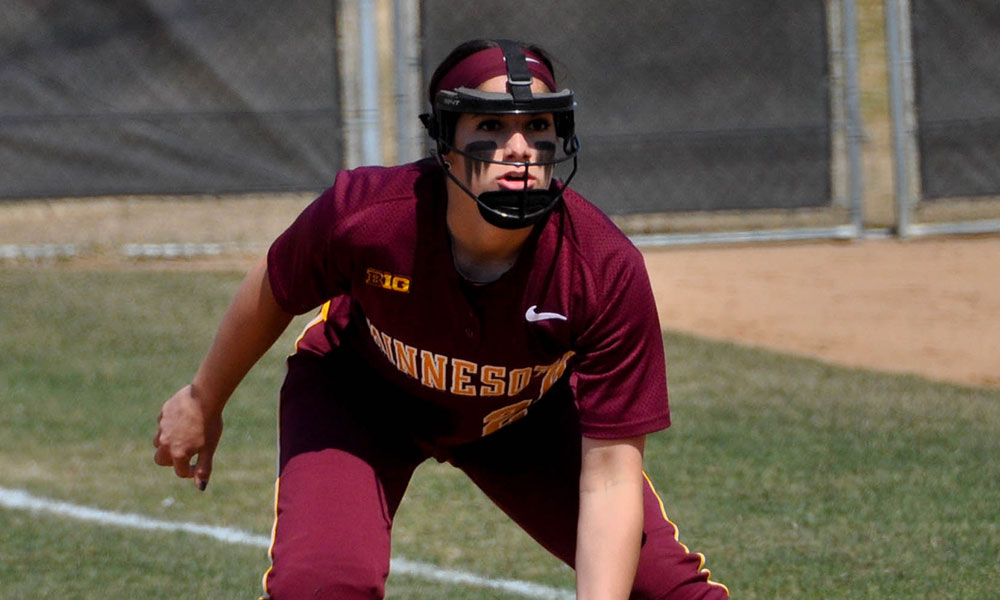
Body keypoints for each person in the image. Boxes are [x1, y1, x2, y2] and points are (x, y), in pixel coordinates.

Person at [153, 38, 729, 600]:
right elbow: (277, 285)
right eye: (490, 127)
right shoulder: (369, 213)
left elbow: (610, 478)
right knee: (324, 586)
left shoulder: (602, 266)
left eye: (539, 128)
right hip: (364, 396)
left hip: (519, 415)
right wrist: (203, 400)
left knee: (666, 590)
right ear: (444, 143)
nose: (520, 148)